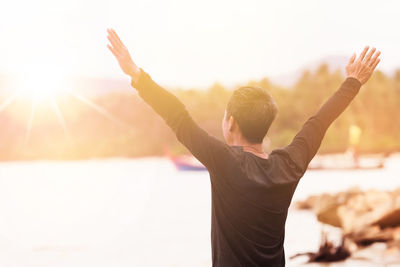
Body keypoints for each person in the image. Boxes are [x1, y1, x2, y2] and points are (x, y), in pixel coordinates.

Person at [106, 28, 380, 267]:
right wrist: (353, 81)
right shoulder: (288, 165)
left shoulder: (224, 162)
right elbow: (320, 122)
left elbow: (177, 116)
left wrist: (136, 74)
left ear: (231, 123)